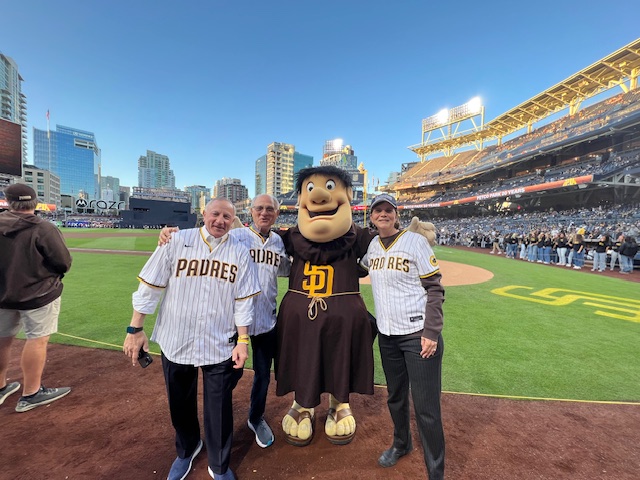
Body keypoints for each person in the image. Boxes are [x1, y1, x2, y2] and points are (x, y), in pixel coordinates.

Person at [123, 198, 260, 480]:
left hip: (219, 342)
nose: (220, 221)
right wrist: (135, 329)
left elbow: (244, 302)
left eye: (227, 216)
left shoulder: (241, 252)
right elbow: (150, 286)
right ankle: (187, 448)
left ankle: (219, 465)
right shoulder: (176, 241)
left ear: (233, 220)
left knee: (219, 408)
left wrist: (243, 340)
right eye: (215, 214)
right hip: (176, 339)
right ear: (204, 213)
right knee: (179, 402)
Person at [159, 194, 291, 449]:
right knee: (228, 377)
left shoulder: (279, 243)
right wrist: (169, 234)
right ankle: (216, 421)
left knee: (263, 375)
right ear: (251, 212)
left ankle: (255, 417)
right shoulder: (236, 236)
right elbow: (205, 238)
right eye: (259, 209)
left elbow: (286, 270)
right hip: (231, 323)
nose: (264, 213)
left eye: (270, 210)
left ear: (276, 214)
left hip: (265, 320)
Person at [360, 193, 445, 479]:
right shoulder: (372, 246)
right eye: (377, 210)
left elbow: (435, 288)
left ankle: (436, 469)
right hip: (388, 336)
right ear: (371, 216)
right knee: (395, 397)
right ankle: (401, 444)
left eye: (388, 210)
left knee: (426, 408)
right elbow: (354, 269)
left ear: (396, 215)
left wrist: (431, 332)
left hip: (418, 334)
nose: (382, 214)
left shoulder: (415, 241)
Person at [0, 184, 73, 412]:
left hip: (2, 295)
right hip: (38, 294)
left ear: (8, 201)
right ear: (35, 202)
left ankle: (1, 387)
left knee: (2, 340)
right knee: (37, 339)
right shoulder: (44, 228)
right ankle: (31, 392)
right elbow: (63, 262)